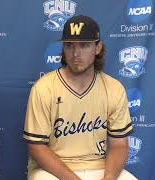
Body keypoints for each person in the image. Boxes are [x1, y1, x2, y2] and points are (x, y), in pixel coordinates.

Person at [23, 15, 137, 180]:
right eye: (69, 46)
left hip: (98, 166)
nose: (76, 53)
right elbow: (36, 147)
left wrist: (110, 177)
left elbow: (120, 145)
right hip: (52, 171)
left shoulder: (113, 88)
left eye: (84, 45)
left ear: (98, 48)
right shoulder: (44, 88)